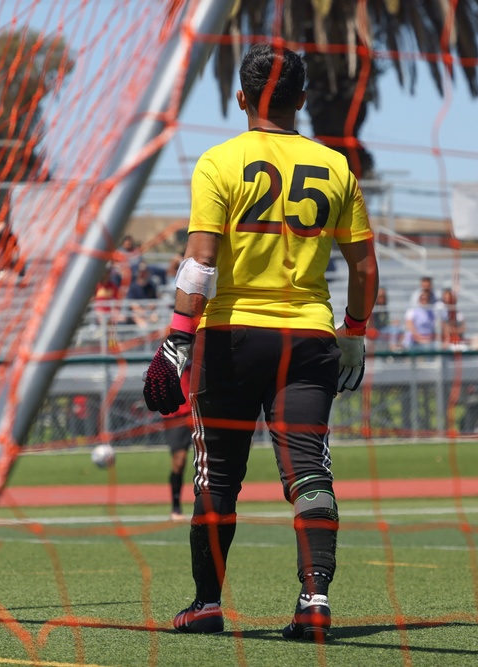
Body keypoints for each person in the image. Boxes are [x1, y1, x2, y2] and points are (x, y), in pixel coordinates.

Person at [142, 44, 378, 640]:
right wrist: (354, 333)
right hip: (308, 337)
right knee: (309, 473)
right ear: (301, 100)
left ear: (241, 97)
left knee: (218, 479)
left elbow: (200, 263)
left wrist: (175, 339)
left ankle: (206, 604)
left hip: (231, 338)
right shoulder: (336, 167)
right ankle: (315, 601)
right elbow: (365, 266)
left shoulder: (219, 162)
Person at [165, 363, 193, 521]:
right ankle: (176, 505)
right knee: (179, 461)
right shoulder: (169, 351)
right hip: (176, 416)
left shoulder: (200, 346)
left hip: (198, 412)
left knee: (210, 459)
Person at [125, 261, 159, 328]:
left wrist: (147, 312)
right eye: (141, 272)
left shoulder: (151, 286)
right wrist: (143, 313)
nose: (143, 274)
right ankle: (144, 336)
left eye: (145, 272)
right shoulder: (133, 287)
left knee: (155, 317)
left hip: (148, 312)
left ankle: (154, 336)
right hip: (136, 314)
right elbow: (133, 305)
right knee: (141, 322)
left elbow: (154, 302)